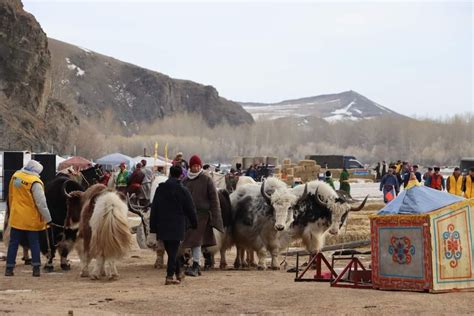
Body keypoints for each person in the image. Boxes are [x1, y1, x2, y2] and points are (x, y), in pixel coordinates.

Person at [147, 165, 198, 285]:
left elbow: (154, 208)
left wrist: (153, 227)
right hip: (177, 226)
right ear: (181, 175)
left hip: (162, 225)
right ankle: (170, 276)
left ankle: (179, 273)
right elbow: (190, 209)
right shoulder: (183, 190)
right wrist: (194, 223)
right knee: (173, 251)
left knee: (171, 251)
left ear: (170, 173)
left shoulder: (160, 189)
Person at [5, 160, 52, 277]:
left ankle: (9, 268)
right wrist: (48, 218)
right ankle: (36, 268)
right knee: (34, 243)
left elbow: (11, 196)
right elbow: (41, 203)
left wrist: (12, 211)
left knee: (13, 243)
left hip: (16, 217)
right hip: (31, 219)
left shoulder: (16, 177)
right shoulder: (35, 182)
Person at [182, 154, 224, 276]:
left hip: (202, 216)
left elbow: (214, 199)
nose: (195, 168)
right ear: (190, 166)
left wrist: (216, 216)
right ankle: (194, 264)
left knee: (196, 241)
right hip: (189, 216)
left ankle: (196, 265)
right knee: (192, 242)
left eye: (197, 165)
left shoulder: (206, 179)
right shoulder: (185, 181)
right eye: (193, 166)